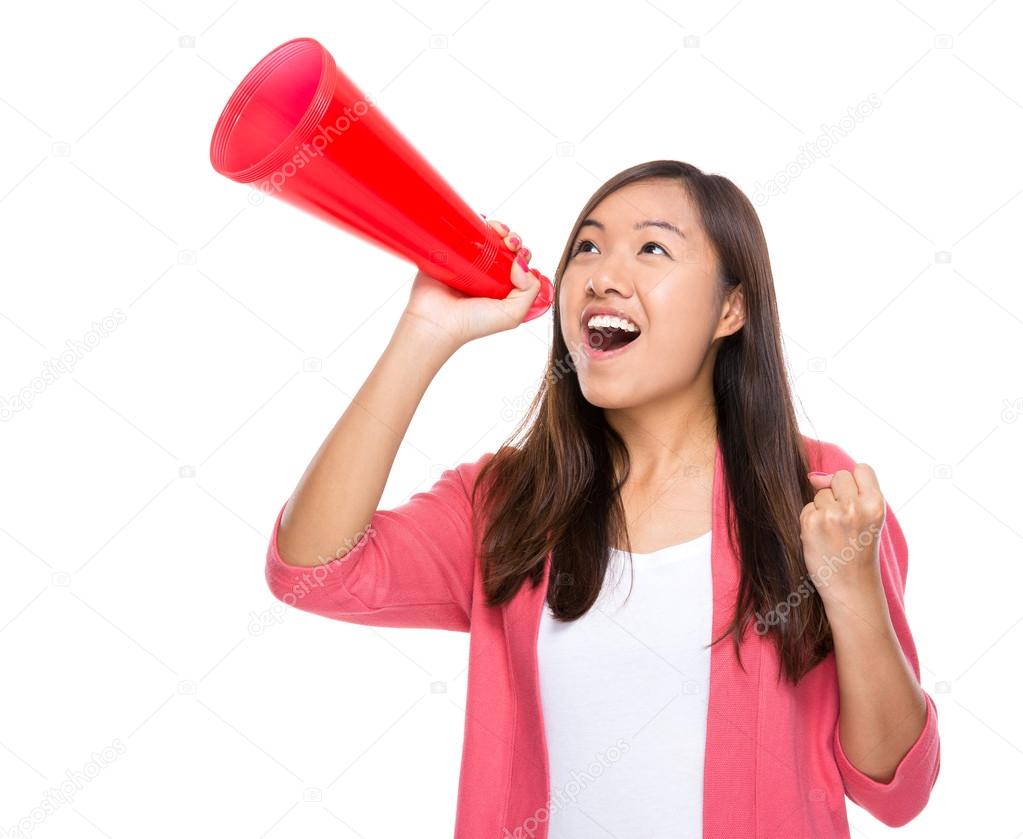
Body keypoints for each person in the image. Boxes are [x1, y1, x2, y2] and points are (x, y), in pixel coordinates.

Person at [266, 159, 940, 838]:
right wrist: (425, 329)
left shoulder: (816, 495)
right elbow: (313, 571)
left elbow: (896, 790)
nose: (602, 276)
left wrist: (851, 588)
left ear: (730, 308)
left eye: (652, 248)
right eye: (586, 246)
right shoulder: (509, 499)